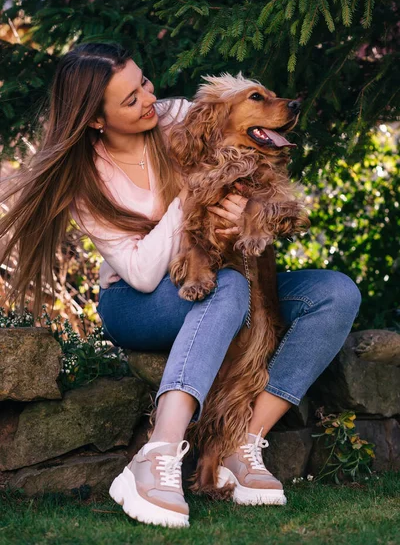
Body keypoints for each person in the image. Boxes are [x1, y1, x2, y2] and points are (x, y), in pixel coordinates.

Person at [0, 43, 361, 529]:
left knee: (335, 293)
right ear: (94, 120)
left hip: (219, 271)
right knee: (228, 287)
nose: (150, 99)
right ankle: (157, 455)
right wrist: (196, 196)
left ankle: (243, 445)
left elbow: (240, 120)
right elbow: (143, 273)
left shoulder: (174, 118)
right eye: (129, 100)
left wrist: (246, 208)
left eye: (144, 83)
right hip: (138, 302)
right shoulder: (84, 180)